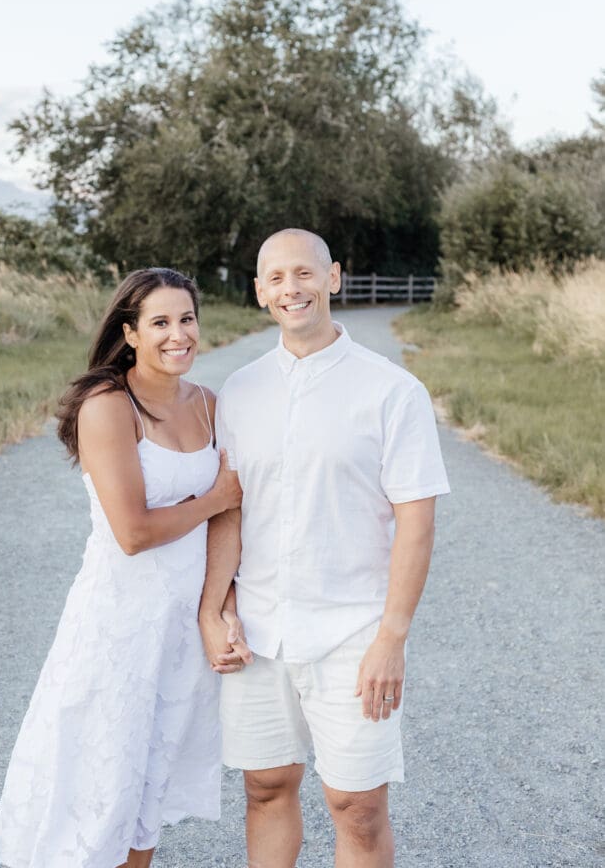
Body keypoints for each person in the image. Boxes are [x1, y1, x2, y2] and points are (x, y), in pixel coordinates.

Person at [199, 229, 450, 868]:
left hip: (354, 633)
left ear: (333, 277)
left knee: (356, 808)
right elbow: (230, 509)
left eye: (305, 274)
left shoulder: (392, 391)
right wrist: (219, 605)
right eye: (276, 279)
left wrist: (392, 638)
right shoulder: (239, 392)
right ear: (259, 292)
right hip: (257, 630)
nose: (292, 289)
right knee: (265, 787)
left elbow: (417, 523)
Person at [0, 267, 243, 868]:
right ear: (130, 332)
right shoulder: (108, 407)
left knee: (147, 788)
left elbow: (228, 526)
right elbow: (133, 532)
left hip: (181, 627)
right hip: (117, 626)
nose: (178, 334)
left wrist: (219, 605)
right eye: (159, 322)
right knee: (97, 791)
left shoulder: (209, 405)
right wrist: (214, 498)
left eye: (186, 319)